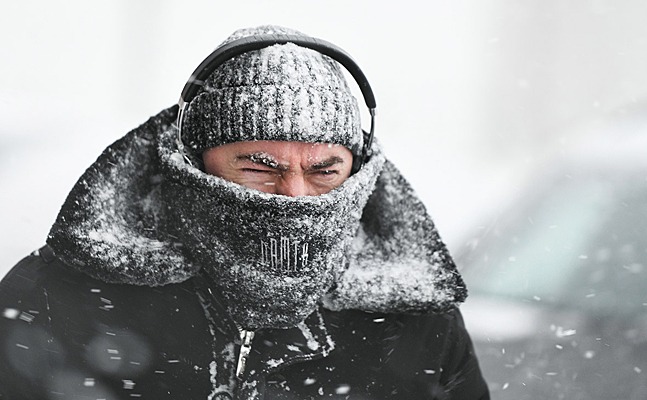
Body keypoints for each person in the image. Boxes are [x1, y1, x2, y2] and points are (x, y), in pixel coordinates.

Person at [0, 25, 489, 399]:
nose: (294, 196)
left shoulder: (414, 321)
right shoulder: (58, 299)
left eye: (324, 170)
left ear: (358, 171)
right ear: (192, 162)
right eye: (259, 167)